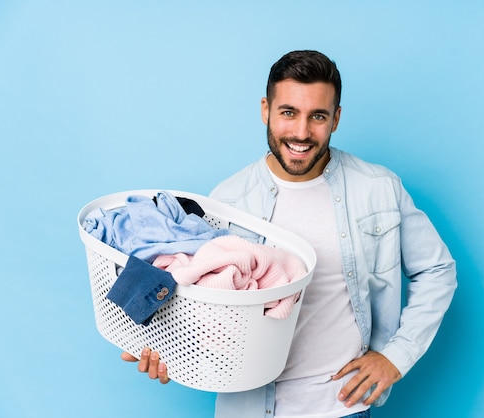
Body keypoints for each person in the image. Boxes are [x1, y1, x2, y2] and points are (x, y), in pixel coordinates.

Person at [121, 50, 457, 418]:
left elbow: (437, 271)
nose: (301, 132)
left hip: (341, 410)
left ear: (336, 119)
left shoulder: (378, 188)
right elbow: (201, 306)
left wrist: (397, 356)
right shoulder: (228, 201)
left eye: (318, 116)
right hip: (247, 409)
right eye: (288, 113)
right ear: (265, 109)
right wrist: (167, 351)